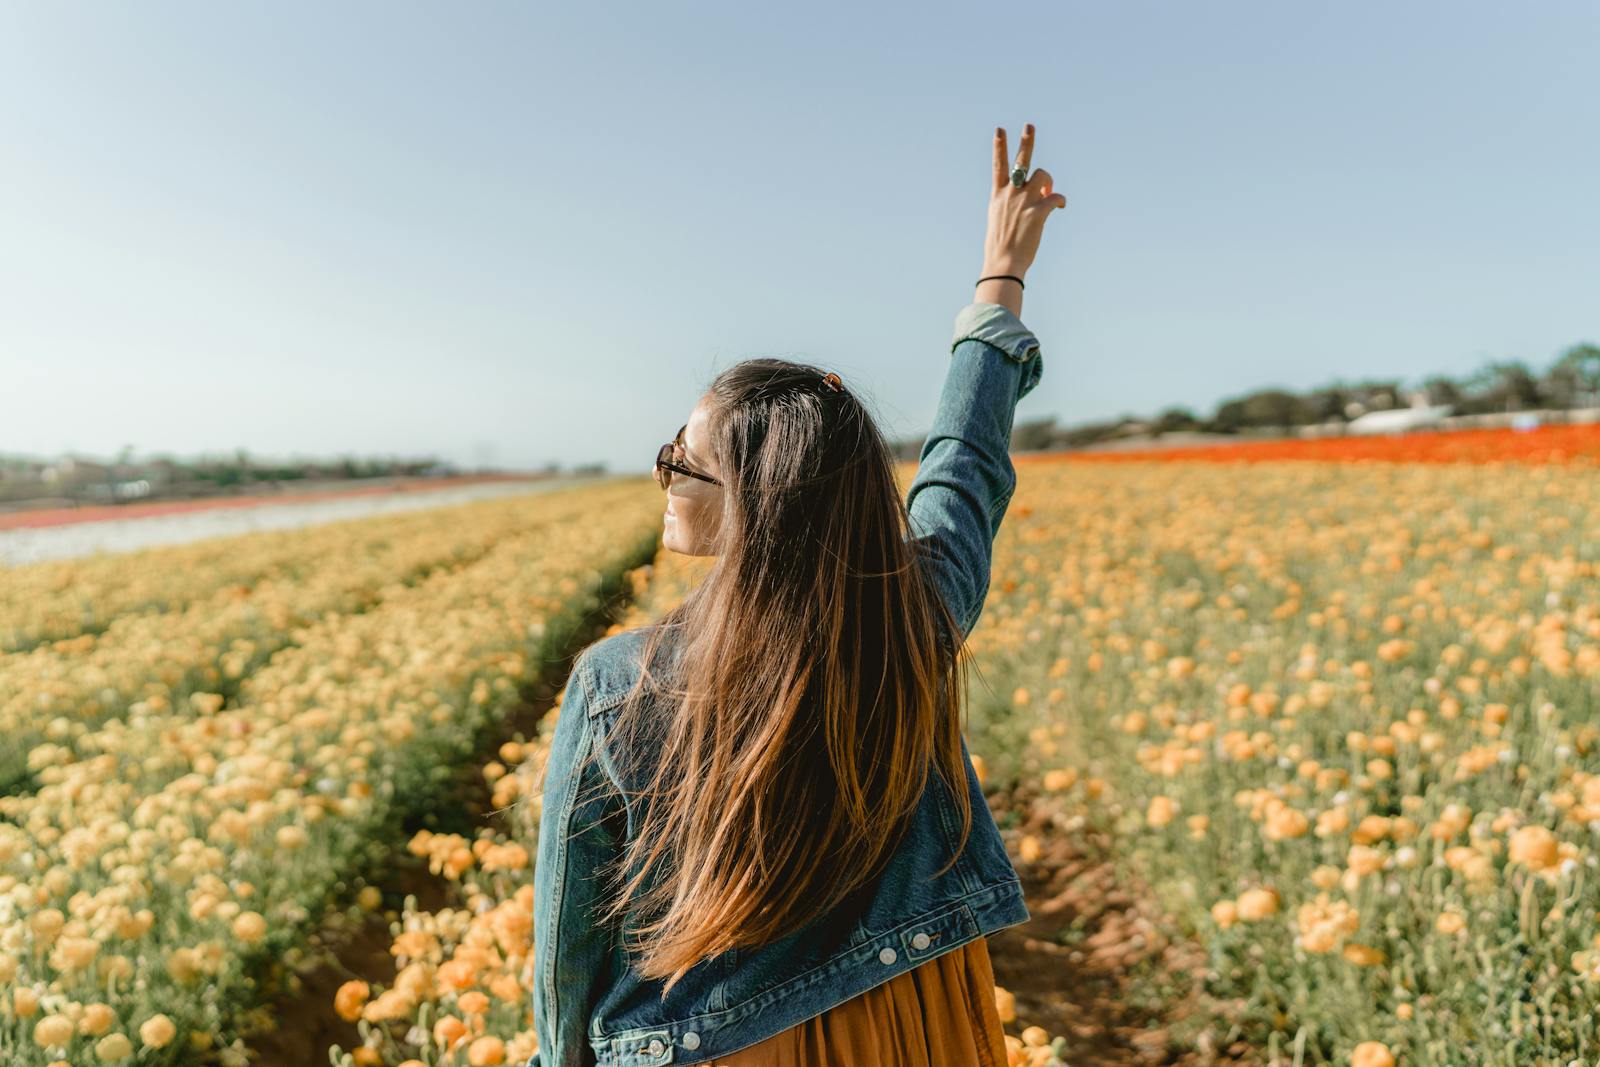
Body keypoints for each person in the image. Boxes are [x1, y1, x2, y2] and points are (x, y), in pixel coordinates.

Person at [527, 123, 1066, 1067]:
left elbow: (570, 950)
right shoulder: (914, 619)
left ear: (757, 503)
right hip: (914, 1018)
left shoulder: (619, 685)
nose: (663, 477)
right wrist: (1000, 278)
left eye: (680, 463)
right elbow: (962, 469)